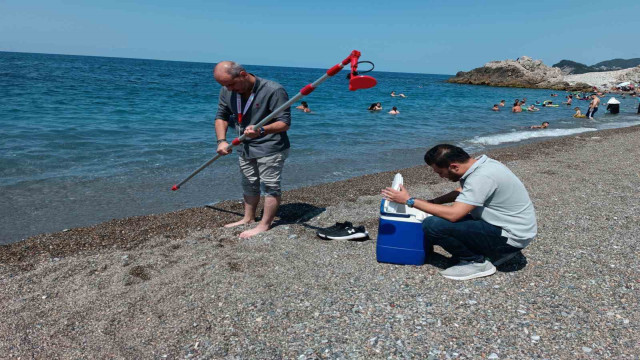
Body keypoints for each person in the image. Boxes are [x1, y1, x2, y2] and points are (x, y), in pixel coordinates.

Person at [381, 144, 537, 280]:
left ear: (454, 166)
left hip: (511, 237)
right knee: (435, 212)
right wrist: (432, 203)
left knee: (432, 224)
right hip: (509, 227)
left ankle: (476, 262)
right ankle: (486, 252)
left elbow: (454, 215)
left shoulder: (482, 176)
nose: (441, 176)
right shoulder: (480, 164)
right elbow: (461, 191)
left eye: (440, 172)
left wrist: (409, 201)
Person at [213, 61, 291, 238]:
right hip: (244, 146)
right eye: (224, 85)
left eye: (231, 84)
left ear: (242, 74)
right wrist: (221, 141)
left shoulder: (273, 90)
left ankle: (264, 224)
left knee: (270, 186)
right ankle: (248, 218)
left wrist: (262, 129)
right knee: (249, 182)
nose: (229, 89)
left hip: (270, 146)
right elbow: (221, 116)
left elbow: (285, 123)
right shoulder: (227, 90)